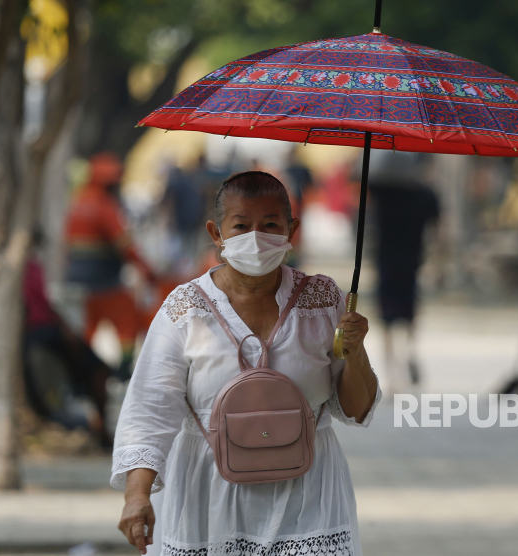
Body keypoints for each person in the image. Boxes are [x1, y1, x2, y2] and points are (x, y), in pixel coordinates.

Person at [111, 171, 381, 555]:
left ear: (292, 230)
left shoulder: (322, 301)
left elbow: (356, 409)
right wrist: (136, 496)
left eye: (270, 224)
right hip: (208, 497)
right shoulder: (185, 308)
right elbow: (150, 408)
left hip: (307, 497)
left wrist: (356, 352)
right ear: (216, 233)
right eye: (241, 225)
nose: (256, 237)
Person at [65, 152, 158, 380]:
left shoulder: (77, 203)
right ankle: (124, 369)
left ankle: (84, 369)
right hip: (105, 282)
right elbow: (125, 245)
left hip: (77, 282)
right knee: (126, 320)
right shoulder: (104, 207)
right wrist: (146, 269)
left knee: (87, 328)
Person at [23, 231, 113, 447]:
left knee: (99, 369)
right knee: (93, 370)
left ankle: (103, 428)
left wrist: (65, 327)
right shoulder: (15, 270)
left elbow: (45, 304)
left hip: (50, 329)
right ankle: (100, 430)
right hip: (38, 334)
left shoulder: (33, 266)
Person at [367, 150, 440, 388]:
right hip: (412, 263)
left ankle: (392, 376)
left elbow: (363, 176)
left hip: (385, 262)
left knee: (387, 320)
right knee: (409, 316)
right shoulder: (426, 195)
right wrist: (437, 262)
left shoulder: (382, 192)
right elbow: (437, 231)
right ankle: (409, 352)